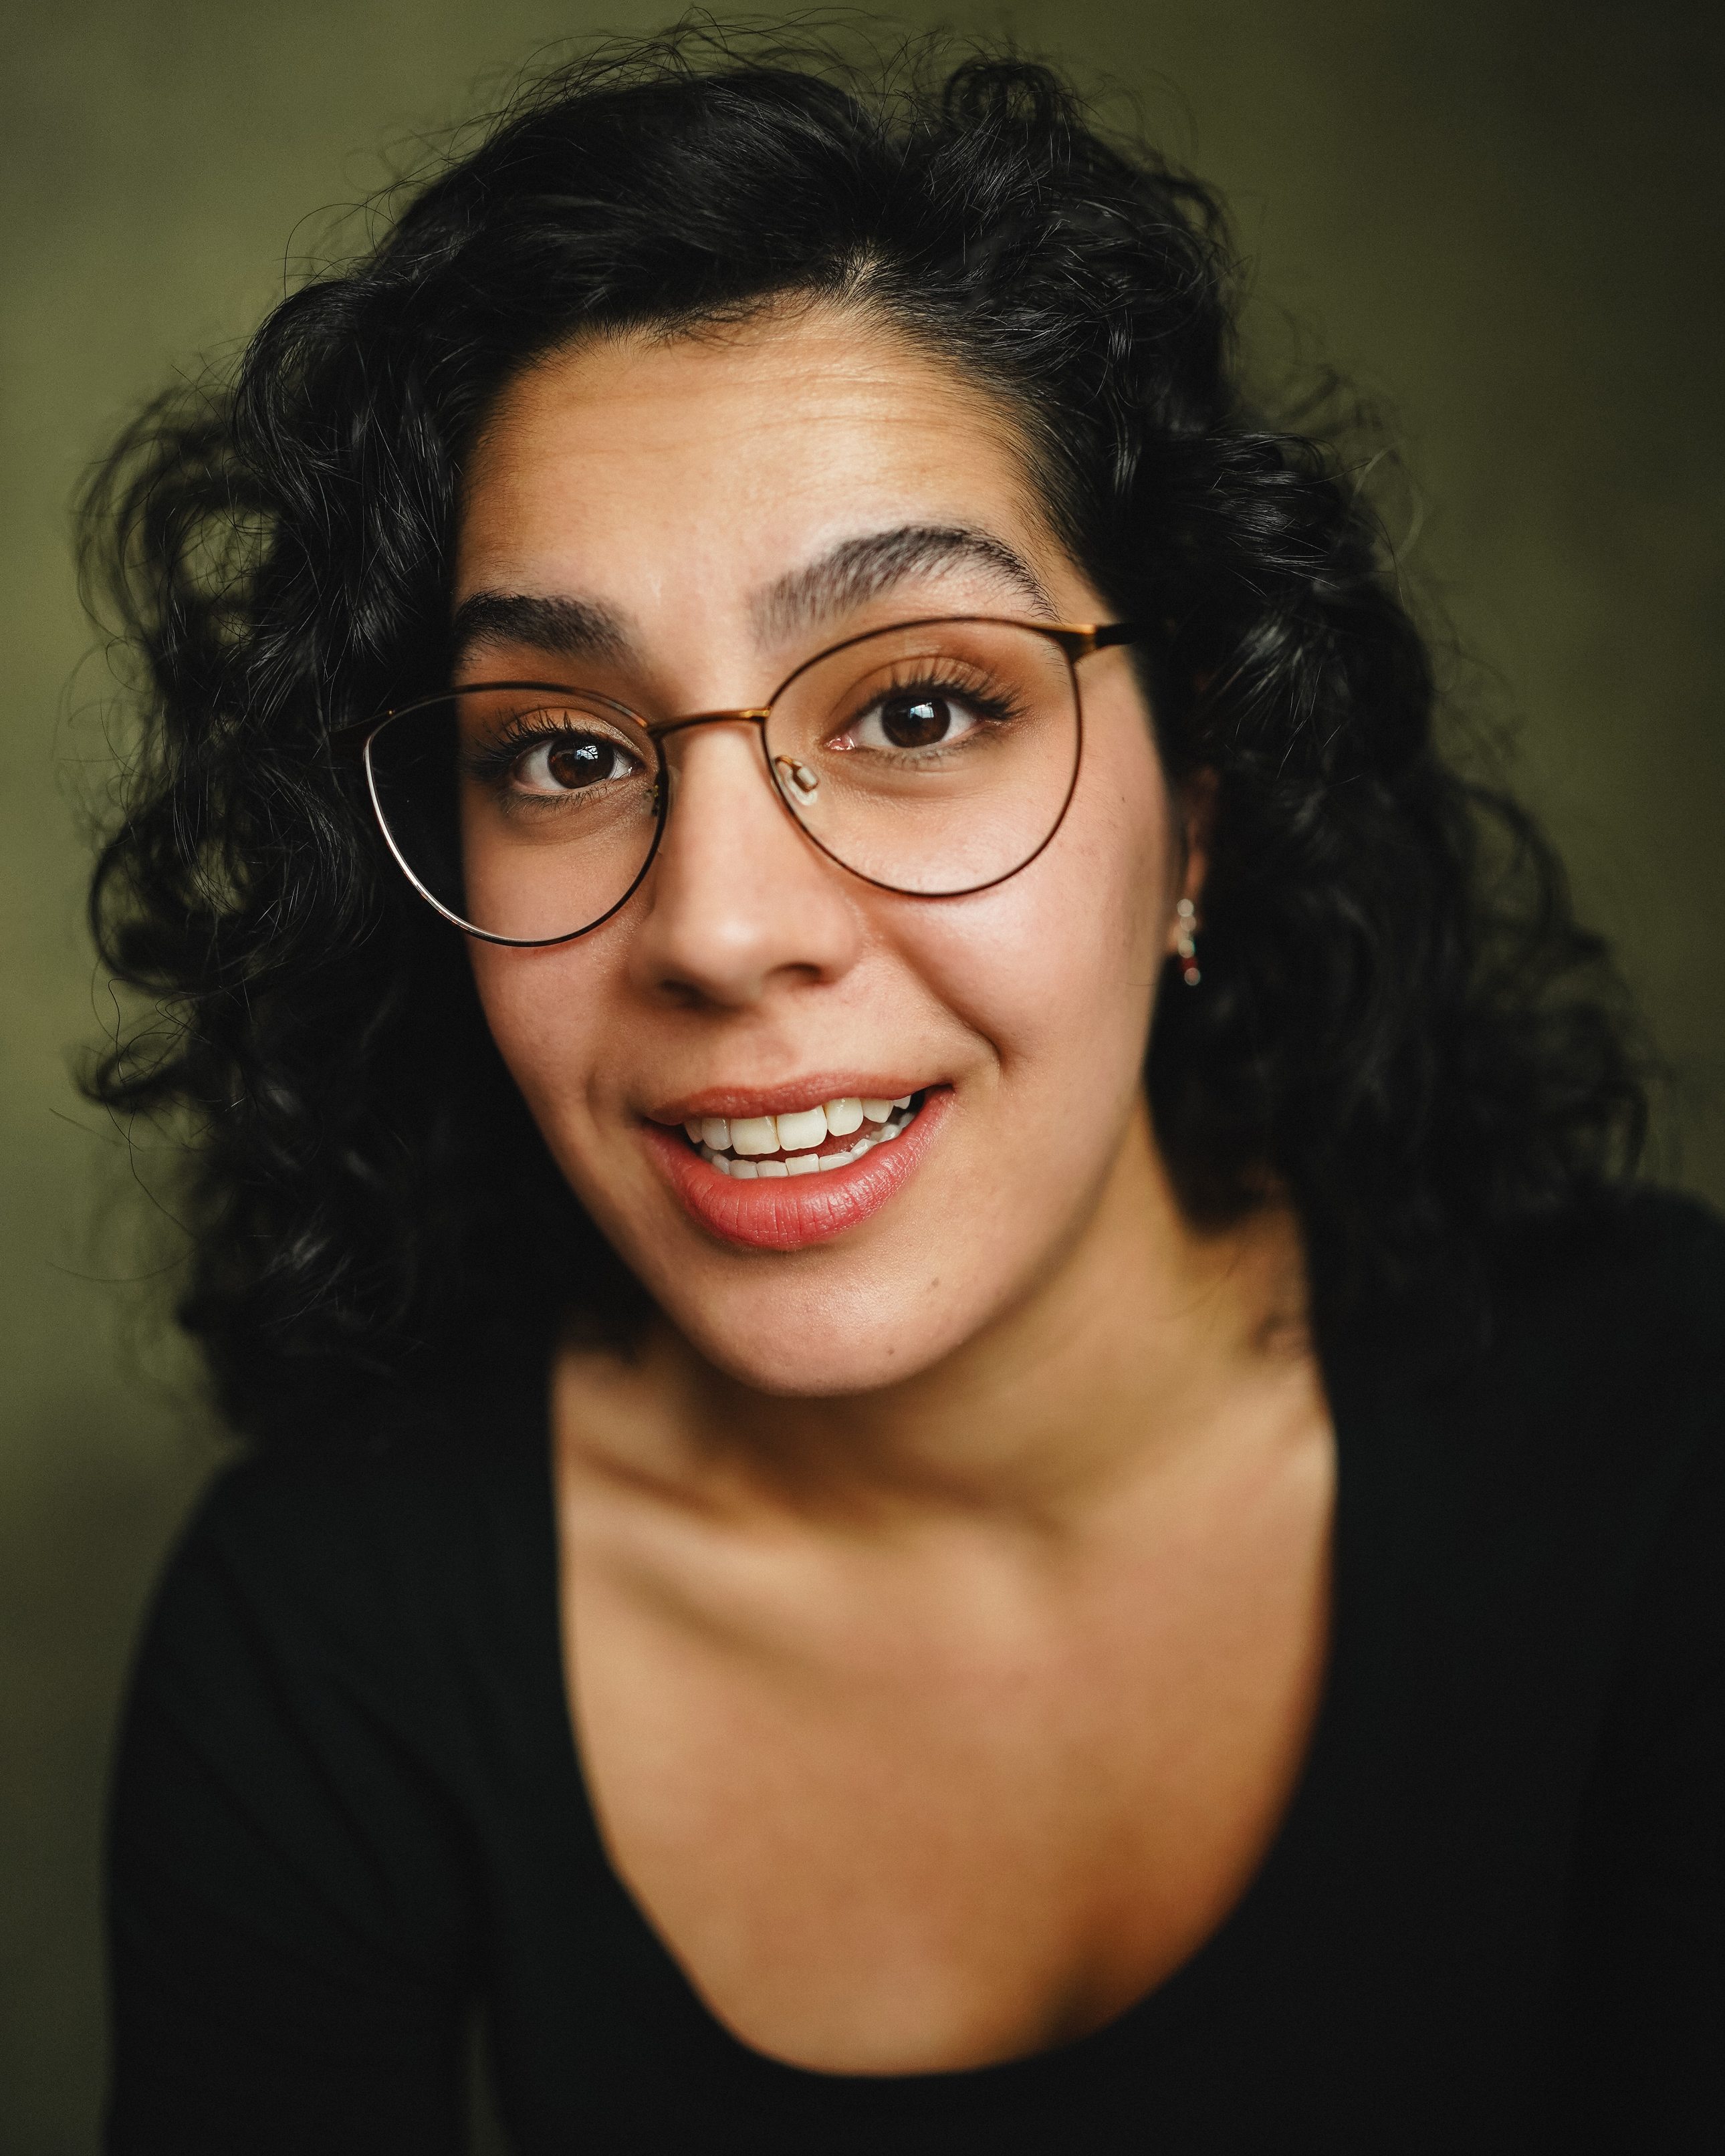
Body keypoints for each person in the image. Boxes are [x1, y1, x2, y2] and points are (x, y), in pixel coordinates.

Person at [86, 30, 1722, 2154]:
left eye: (919, 709)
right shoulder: (327, 1628)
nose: (717, 925)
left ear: (1200, 800)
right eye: (561, 751)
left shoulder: (1666, 1440)